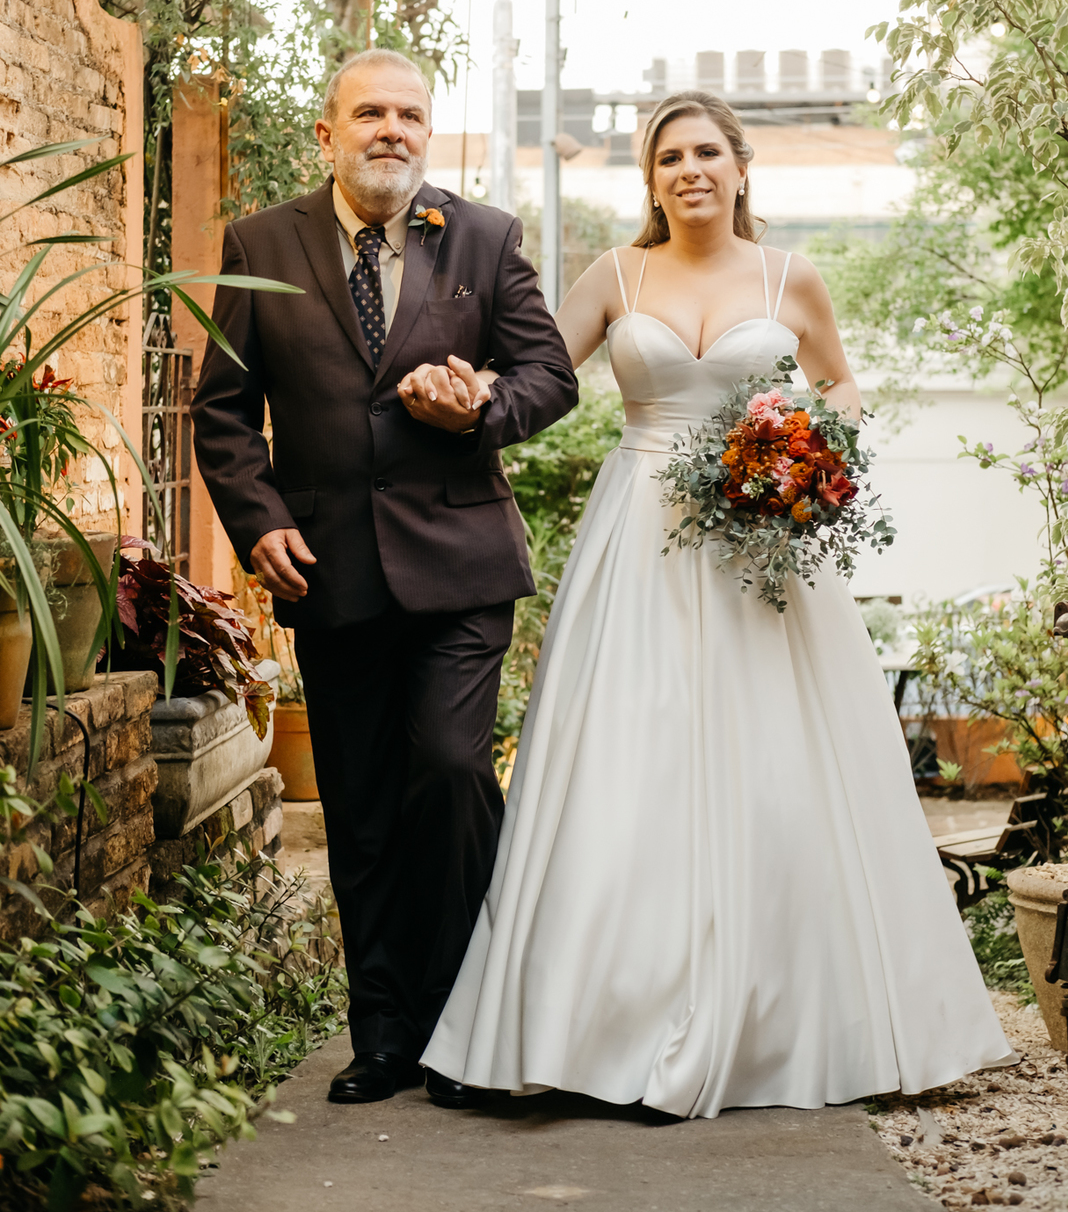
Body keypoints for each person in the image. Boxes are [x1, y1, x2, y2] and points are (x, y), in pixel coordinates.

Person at [423, 89, 1013, 1118]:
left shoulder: (792, 277)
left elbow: (840, 384)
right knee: (628, 758)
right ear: (651, 181)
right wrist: (460, 393)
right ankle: (589, 1025)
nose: (689, 170)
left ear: (741, 168)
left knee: (775, 762)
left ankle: (789, 1016)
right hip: (638, 539)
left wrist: (808, 448)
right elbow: (537, 376)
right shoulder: (615, 275)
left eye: (705, 153)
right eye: (668, 158)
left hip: (760, 546)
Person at [189, 49, 578, 1109]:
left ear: (427, 132)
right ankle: (386, 1035)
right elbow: (221, 411)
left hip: (462, 563)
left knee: (449, 769)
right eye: (370, 113)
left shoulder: (484, 237)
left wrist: (481, 408)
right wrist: (260, 523)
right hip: (330, 570)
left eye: (410, 114)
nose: (392, 130)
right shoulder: (260, 243)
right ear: (329, 133)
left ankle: (473, 1024)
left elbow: (551, 377)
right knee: (359, 806)